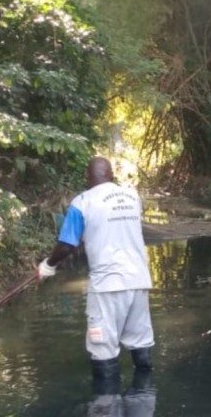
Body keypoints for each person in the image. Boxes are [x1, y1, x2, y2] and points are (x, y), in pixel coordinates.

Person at [37, 157, 155, 389]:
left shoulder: (83, 202)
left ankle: (106, 410)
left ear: (88, 177)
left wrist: (48, 265)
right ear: (111, 175)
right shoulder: (133, 197)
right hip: (139, 282)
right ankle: (143, 407)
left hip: (106, 287)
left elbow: (67, 245)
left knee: (103, 350)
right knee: (141, 343)